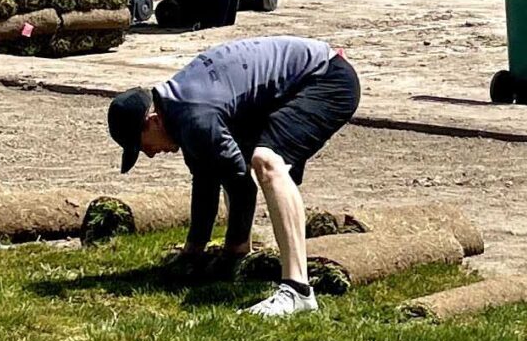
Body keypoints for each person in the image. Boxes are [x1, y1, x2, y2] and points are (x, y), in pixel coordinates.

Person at [107, 35, 362, 319]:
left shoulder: (194, 115)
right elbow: (205, 177)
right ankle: (248, 257)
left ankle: (297, 290)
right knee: (239, 158)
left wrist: (232, 253)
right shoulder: (179, 105)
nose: (150, 154)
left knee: (265, 162)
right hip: (304, 80)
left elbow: (240, 183)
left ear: (152, 121)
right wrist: (193, 252)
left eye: (142, 145)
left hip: (327, 79)